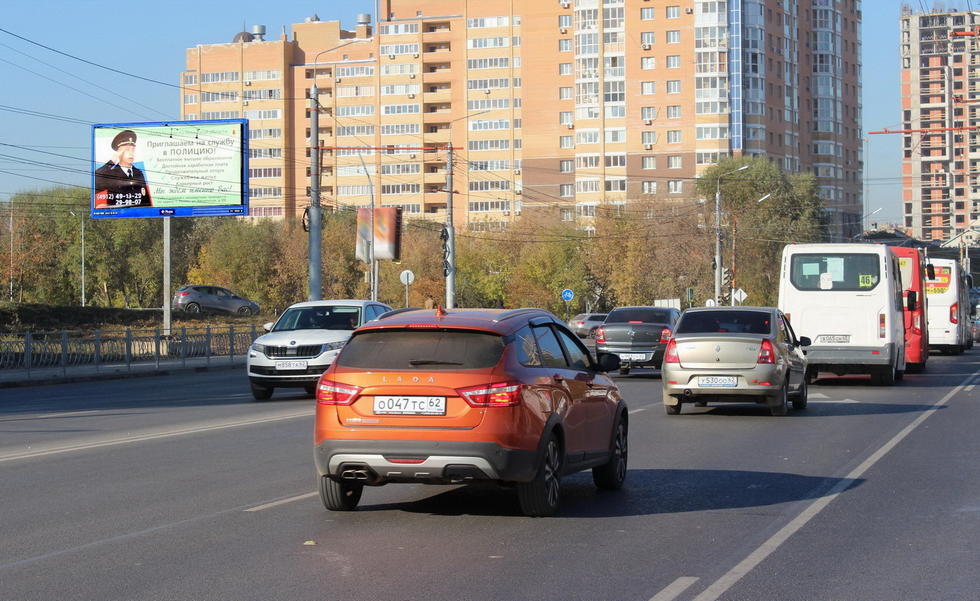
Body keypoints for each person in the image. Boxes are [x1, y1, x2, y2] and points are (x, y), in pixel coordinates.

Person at [94, 130, 152, 207]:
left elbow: (146, 200)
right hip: (115, 214)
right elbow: (96, 177)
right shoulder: (110, 173)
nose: (131, 153)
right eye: (127, 150)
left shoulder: (138, 173)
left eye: (133, 149)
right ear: (119, 153)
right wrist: (112, 161)